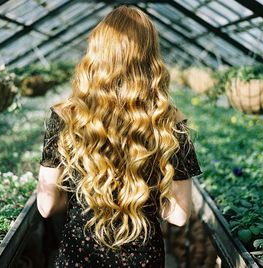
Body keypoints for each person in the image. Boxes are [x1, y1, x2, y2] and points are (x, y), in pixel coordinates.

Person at [37, 5, 203, 267]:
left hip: (79, 256)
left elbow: (46, 205)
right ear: (150, 56)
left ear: (96, 53)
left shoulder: (66, 115)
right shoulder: (169, 120)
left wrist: (82, 198)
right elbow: (179, 215)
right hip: (143, 258)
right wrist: (141, 199)